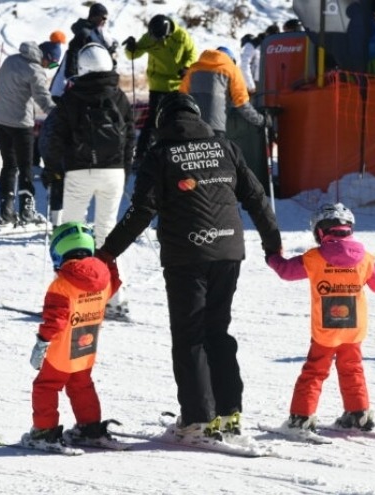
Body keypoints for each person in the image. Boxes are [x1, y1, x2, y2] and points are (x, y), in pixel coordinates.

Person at [96, 91, 282, 442]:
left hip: (187, 256)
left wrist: (107, 253)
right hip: (228, 251)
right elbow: (257, 197)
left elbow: (141, 211)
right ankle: (228, 414)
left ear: (164, 121)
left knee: (190, 337)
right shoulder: (225, 147)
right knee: (218, 331)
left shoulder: (160, 154)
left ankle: (197, 420)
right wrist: (273, 245)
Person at [266, 203, 375, 433]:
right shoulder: (364, 259)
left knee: (315, 370)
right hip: (354, 327)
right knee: (352, 368)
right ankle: (358, 413)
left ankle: (301, 418)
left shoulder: (314, 258)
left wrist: (272, 256)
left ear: (319, 232)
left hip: (326, 329)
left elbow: (286, 271)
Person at [43, 43, 135, 321]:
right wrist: (125, 169)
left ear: (81, 67)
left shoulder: (72, 98)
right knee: (107, 236)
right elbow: (130, 136)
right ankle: (115, 300)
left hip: (78, 172)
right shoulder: (119, 96)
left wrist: (53, 171)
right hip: (114, 173)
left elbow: (55, 137)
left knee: (73, 233)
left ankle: (74, 297)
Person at [24, 221, 121, 449]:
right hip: (86, 349)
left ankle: (44, 432)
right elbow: (114, 281)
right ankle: (90, 428)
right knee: (81, 385)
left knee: (46, 386)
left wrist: (42, 343)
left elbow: (55, 320)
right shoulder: (104, 278)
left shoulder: (62, 284)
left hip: (60, 352)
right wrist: (105, 261)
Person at [0, 41, 59, 231]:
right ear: (45, 57)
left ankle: (5, 212)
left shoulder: (11, 60)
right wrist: (59, 114)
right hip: (20, 125)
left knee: (9, 165)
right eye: (51, 64)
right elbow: (42, 98)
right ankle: (27, 211)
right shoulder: (35, 70)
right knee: (26, 167)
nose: (49, 68)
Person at [123, 14, 197, 163]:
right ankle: (141, 156)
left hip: (177, 84)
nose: (155, 41)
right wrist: (130, 47)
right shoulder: (150, 36)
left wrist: (187, 67)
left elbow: (192, 53)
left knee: (178, 119)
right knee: (152, 120)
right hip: (157, 84)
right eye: (153, 37)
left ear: (168, 33)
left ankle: (178, 154)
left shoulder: (182, 36)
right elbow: (133, 54)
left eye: (159, 38)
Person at [180, 47, 266, 137]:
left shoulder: (193, 69)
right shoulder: (232, 70)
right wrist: (261, 120)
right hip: (216, 128)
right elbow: (242, 103)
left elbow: (182, 97)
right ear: (231, 59)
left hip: (192, 125)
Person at [50, 3, 117, 97]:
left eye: (106, 18)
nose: (105, 21)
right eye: (103, 17)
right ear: (93, 17)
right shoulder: (84, 33)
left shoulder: (98, 34)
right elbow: (72, 54)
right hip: (68, 84)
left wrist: (111, 51)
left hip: (87, 80)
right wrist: (72, 76)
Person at [345, 0, 375, 74]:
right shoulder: (361, 20)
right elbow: (358, 46)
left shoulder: (369, 18)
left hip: (373, 71)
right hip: (369, 71)